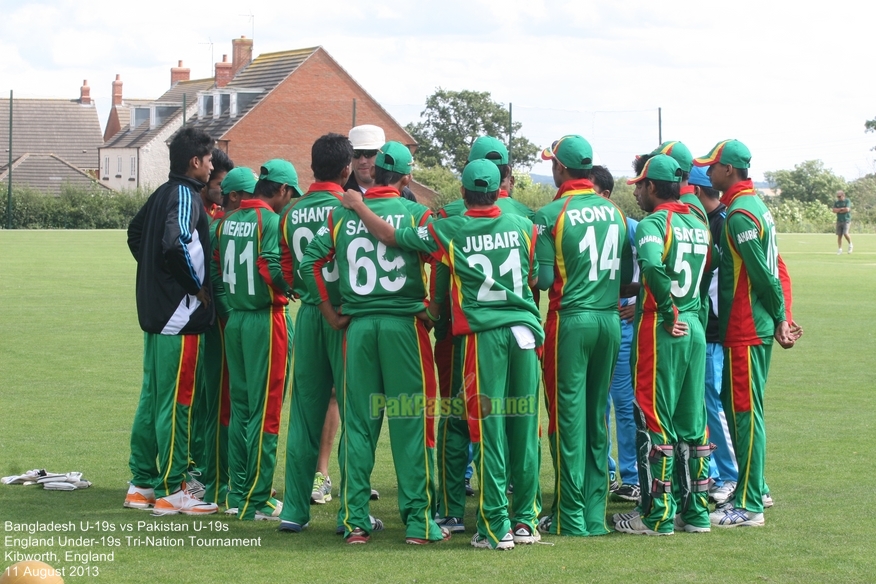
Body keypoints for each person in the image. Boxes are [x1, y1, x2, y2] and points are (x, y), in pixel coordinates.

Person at [342, 158, 543, 551]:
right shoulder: (524, 225)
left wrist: (359, 205)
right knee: (524, 427)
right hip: (525, 333)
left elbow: (389, 236)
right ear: (501, 188)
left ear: (465, 194)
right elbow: (535, 277)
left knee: (487, 431)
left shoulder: (450, 227)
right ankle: (526, 521)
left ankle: (495, 526)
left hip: (484, 336)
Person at [300, 141, 447, 545]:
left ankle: (354, 523)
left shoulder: (341, 213)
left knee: (360, 428)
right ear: (403, 177)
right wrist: (431, 309)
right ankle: (418, 523)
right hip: (404, 329)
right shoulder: (418, 212)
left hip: (359, 329)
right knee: (411, 425)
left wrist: (330, 313)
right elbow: (444, 259)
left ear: (373, 173)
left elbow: (309, 261)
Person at [693, 139, 802, 528]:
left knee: (745, 415)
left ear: (729, 171)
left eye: (713, 167)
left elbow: (765, 276)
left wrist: (780, 321)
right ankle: (748, 493)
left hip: (744, 329)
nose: (707, 173)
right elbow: (780, 269)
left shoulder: (739, 214)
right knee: (741, 411)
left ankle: (750, 503)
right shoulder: (758, 208)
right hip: (747, 329)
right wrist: (782, 316)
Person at [277, 133, 380, 533]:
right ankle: (350, 515)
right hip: (344, 316)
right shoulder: (350, 207)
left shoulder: (291, 212)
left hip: (307, 316)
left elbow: (286, 266)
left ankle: (293, 511)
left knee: (304, 414)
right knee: (355, 414)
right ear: (346, 169)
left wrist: (302, 294)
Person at [533, 137, 633, 537]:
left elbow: (540, 280)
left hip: (570, 320)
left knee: (565, 417)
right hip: (609, 320)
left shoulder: (549, 213)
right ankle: (594, 514)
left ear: (560, 168)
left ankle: (570, 514)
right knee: (596, 416)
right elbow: (626, 279)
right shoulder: (616, 213)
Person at [433, 135, 530, 533]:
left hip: (466, 336)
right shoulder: (526, 216)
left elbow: (440, 282)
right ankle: (518, 509)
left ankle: (454, 509)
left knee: (459, 419)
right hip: (519, 331)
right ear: (505, 173)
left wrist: (438, 319)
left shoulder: (448, 215)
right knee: (517, 419)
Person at [614, 154, 713, 536]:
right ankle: (697, 513)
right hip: (694, 327)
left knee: (655, 419)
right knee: (692, 421)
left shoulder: (657, 222)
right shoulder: (696, 221)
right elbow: (712, 261)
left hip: (663, 328)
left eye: (639, 185)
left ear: (653, 187)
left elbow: (654, 266)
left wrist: (668, 309)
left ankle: (657, 515)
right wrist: (687, 310)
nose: (637, 192)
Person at [124, 126, 219, 516]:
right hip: (179, 318)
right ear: (195, 162)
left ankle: (142, 484)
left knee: (152, 400)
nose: (213, 167)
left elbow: (135, 234)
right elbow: (175, 241)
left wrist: (155, 278)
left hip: (158, 316)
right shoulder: (183, 194)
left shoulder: (162, 192)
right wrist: (193, 287)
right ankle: (172, 490)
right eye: (210, 159)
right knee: (176, 404)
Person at [214, 159, 298, 520]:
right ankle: (258, 498)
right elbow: (269, 266)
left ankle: (237, 492)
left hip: (235, 320)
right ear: (280, 190)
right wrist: (294, 288)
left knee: (241, 410)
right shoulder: (271, 221)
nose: (288, 201)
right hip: (266, 320)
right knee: (267, 413)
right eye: (289, 194)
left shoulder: (224, 223)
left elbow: (217, 273)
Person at [688, 165, 739, 505]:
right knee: (705, 405)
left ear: (693, 188)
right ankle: (717, 474)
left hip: (715, 330)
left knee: (713, 403)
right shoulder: (707, 221)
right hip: (705, 328)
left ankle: (734, 477)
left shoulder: (721, 222)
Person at [591, 164, 640, 504]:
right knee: (596, 403)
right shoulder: (582, 225)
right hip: (594, 323)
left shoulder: (631, 227)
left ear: (606, 196)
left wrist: (638, 300)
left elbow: (660, 268)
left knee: (623, 404)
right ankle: (606, 472)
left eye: (590, 192)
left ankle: (633, 477)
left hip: (621, 326)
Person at [189, 150, 236, 504]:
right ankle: (205, 472)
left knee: (211, 396)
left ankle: (206, 469)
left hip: (210, 316)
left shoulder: (217, 217)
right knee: (212, 397)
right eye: (217, 183)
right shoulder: (198, 214)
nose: (220, 190)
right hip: (211, 317)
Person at [345, 124, 416, 203]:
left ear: (381, 155)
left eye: (369, 153)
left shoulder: (406, 195)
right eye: (356, 153)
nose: (362, 161)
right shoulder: (341, 193)